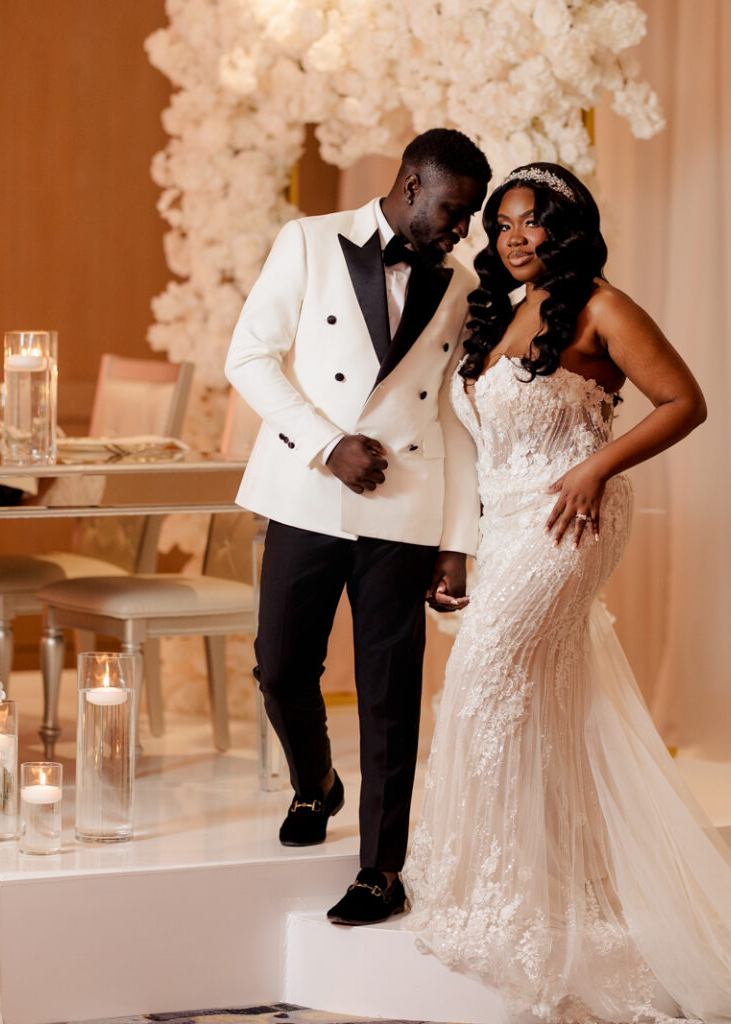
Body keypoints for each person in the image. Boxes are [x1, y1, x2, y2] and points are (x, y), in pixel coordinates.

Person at [405, 163, 731, 1022]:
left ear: (567, 227)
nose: (512, 237)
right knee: (535, 698)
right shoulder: (501, 306)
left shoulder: (605, 306)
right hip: (506, 523)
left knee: (488, 684)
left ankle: (523, 902)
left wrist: (594, 467)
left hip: (572, 520)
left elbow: (685, 401)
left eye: (531, 221)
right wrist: (459, 546)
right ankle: (543, 885)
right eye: (501, 223)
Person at [224, 128, 489, 926]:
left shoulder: (463, 284)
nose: (463, 230)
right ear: (411, 185)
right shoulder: (307, 241)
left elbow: (453, 416)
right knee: (281, 667)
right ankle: (316, 782)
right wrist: (326, 444)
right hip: (310, 493)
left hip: (405, 507)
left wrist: (458, 540)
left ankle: (382, 869)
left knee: (389, 695)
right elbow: (249, 357)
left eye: (472, 216)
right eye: (454, 209)